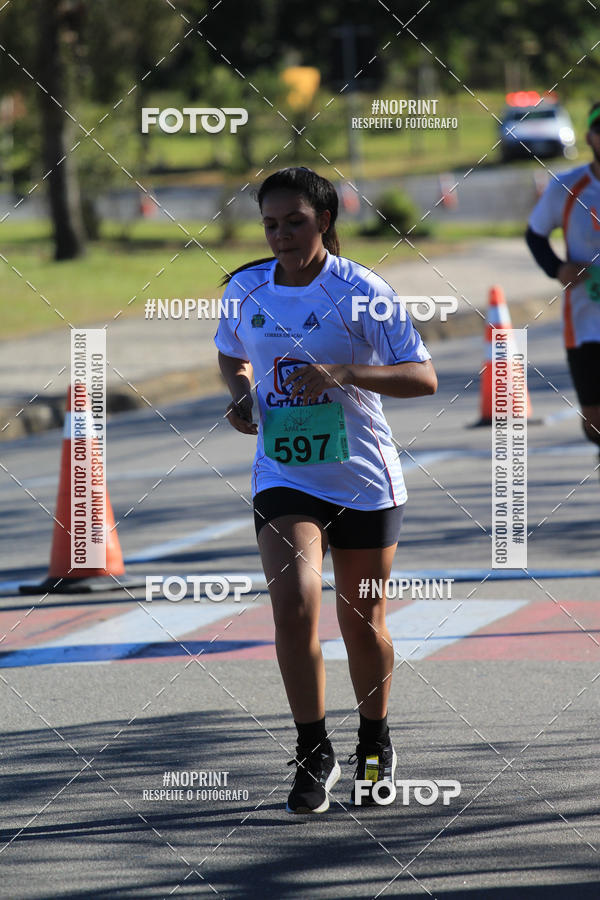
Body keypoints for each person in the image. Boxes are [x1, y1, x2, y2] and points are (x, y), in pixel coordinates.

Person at [214, 167, 437, 814]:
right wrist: (239, 394)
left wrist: (344, 371)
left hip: (363, 476)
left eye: (295, 222)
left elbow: (422, 376)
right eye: (271, 224)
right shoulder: (245, 288)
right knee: (294, 603)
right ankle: (313, 750)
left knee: (361, 622)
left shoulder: (361, 291)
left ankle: (374, 741)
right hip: (285, 472)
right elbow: (232, 352)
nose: (281, 235)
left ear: (325, 222)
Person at [525, 101, 600, 462]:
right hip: (586, 322)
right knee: (594, 423)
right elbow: (535, 235)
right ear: (589, 136)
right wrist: (558, 270)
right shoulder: (568, 187)